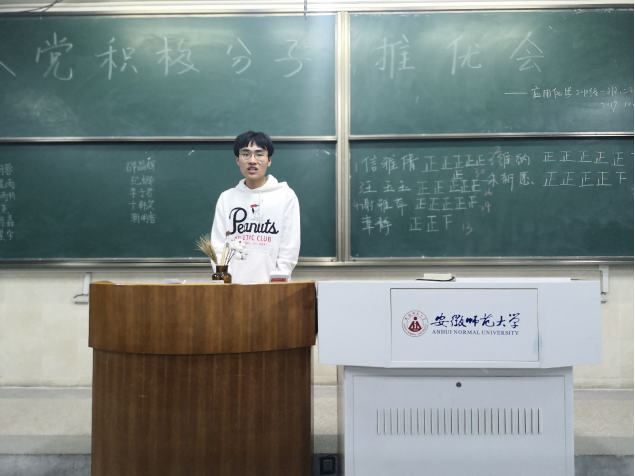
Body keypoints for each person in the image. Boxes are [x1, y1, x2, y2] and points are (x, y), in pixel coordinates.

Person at [211, 131, 300, 283]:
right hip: (233, 285)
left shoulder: (286, 196)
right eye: (246, 154)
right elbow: (218, 245)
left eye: (259, 154)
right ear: (237, 160)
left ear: (269, 160)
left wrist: (279, 280)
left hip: (273, 287)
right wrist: (225, 279)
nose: (252, 160)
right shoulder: (226, 198)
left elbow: (289, 244)